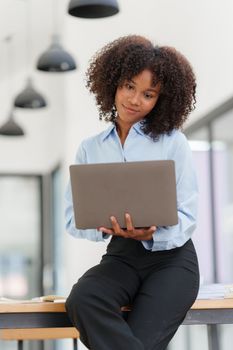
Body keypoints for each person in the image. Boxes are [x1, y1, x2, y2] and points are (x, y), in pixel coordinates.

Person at [65, 35, 199, 350]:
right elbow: (73, 217)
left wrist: (151, 233)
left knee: (140, 339)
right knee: (83, 299)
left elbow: (188, 215)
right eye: (129, 86)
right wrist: (100, 227)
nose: (134, 100)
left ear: (160, 101)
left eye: (148, 94)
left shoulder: (172, 142)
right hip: (121, 257)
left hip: (172, 260)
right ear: (112, 83)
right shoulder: (91, 148)